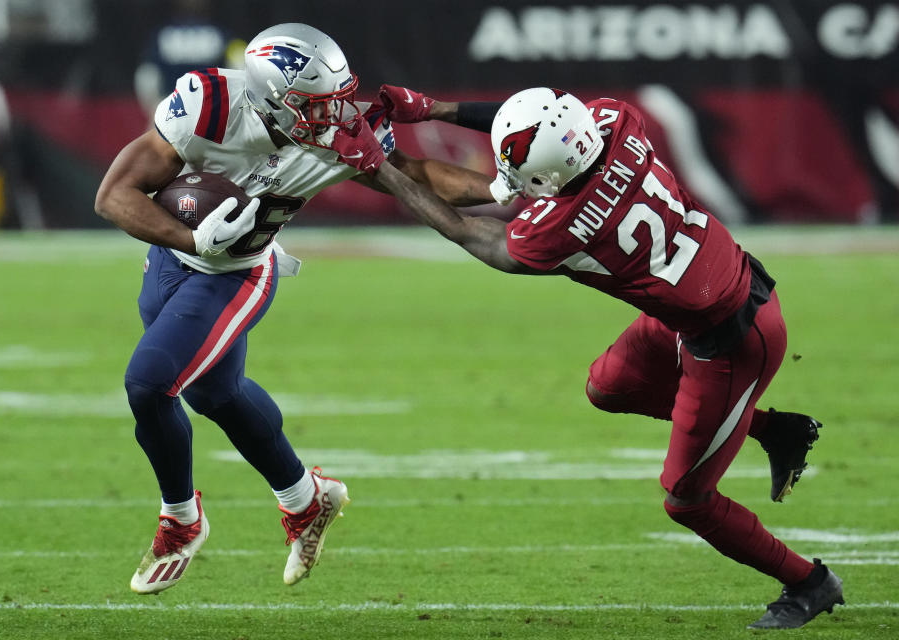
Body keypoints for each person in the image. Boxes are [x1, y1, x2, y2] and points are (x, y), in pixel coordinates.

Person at [330, 85, 844, 630]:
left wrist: (380, 168)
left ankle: (809, 583)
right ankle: (773, 430)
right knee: (610, 387)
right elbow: (543, 118)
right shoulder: (617, 122)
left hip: (733, 343)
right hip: (704, 295)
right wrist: (431, 110)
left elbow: (467, 229)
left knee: (687, 499)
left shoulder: (559, 228)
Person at [94, 24, 494, 594]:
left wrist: (511, 189)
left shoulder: (345, 130)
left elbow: (421, 177)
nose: (335, 113)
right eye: (315, 104)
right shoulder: (209, 104)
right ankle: (306, 500)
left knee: (148, 383)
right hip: (172, 259)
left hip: (239, 274)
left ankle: (180, 520)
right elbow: (113, 195)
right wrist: (192, 241)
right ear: (268, 97)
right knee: (215, 392)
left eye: (337, 96)